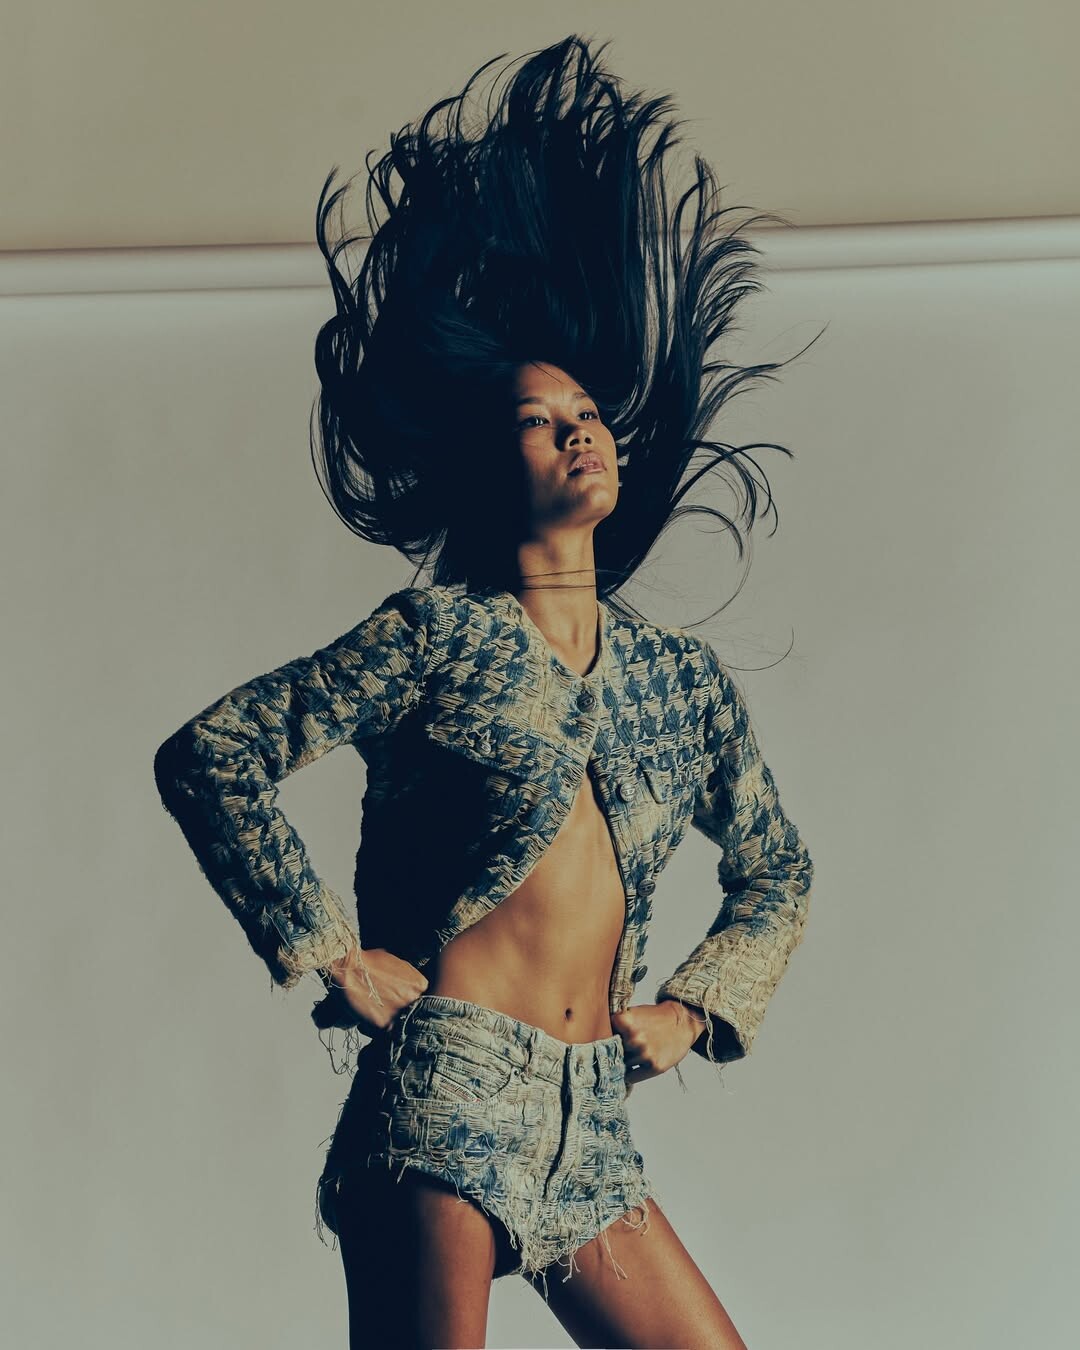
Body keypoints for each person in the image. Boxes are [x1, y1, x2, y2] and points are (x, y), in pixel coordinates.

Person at [153, 34, 820, 1350]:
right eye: (538, 418)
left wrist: (697, 1006)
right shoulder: (435, 638)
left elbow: (778, 869)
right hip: (447, 1079)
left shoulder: (679, 684)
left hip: (593, 1123)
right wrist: (324, 948)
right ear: (485, 465)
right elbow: (214, 754)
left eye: (590, 412)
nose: (580, 429)